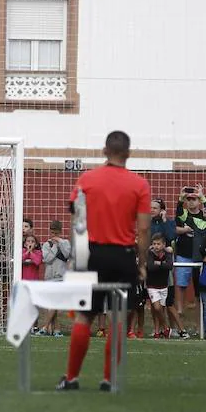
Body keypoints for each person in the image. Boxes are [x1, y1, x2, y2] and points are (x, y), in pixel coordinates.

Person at [57, 131, 151, 392]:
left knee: (84, 317)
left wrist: (77, 257)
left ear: (103, 151)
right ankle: (109, 380)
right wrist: (141, 262)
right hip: (123, 256)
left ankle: (72, 378)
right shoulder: (139, 184)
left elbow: (77, 218)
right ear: (129, 154)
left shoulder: (87, 179)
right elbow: (143, 230)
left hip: (92, 255)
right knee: (119, 319)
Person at [174, 186, 206, 335]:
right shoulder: (194, 221)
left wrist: (203, 197)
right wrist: (180, 200)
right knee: (199, 296)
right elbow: (179, 216)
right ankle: (201, 329)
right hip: (197, 263)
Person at [39, 220, 72, 336]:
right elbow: (47, 259)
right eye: (52, 233)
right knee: (53, 304)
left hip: (60, 277)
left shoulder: (66, 243)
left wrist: (60, 243)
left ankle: (44, 326)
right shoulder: (47, 244)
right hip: (49, 277)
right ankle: (56, 329)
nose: (54, 235)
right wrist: (54, 247)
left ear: (60, 232)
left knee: (54, 303)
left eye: (56, 233)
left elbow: (67, 254)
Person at [146, 233, 175, 338]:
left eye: (158, 244)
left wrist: (158, 264)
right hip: (152, 285)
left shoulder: (167, 254)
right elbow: (150, 267)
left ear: (163, 245)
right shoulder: (150, 253)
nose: (156, 246)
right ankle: (166, 327)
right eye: (154, 244)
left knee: (161, 310)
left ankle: (157, 331)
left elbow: (169, 266)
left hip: (163, 285)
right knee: (157, 308)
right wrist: (162, 265)